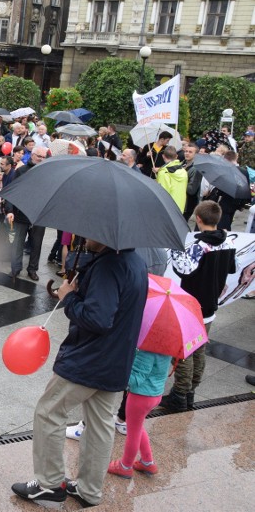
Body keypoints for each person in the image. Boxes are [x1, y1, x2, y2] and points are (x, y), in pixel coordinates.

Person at [11, 238, 148, 507]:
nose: (84, 238)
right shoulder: (136, 263)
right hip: (117, 361)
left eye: (90, 233)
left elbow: (98, 318)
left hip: (89, 359)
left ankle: (49, 484)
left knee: (48, 412)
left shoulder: (109, 265)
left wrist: (69, 297)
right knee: (100, 425)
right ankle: (89, 490)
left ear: (107, 234)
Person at [162, 201, 236, 411]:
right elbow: (231, 268)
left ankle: (179, 394)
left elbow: (184, 269)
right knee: (199, 349)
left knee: (184, 351)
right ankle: (191, 391)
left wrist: (176, 248)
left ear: (199, 219)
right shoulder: (228, 241)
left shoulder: (200, 246)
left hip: (192, 306)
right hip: (210, 306)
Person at [107, 347, 173, 479]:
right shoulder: (168, 348)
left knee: (133, 432)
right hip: (155, 394)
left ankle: (125, 466)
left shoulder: (147, 351)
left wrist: (119, 370)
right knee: (137, 426)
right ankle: (147, 462)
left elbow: (136, 378)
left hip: (140, 396)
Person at [4, 147, 48, 281]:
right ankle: (15, 268)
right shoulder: (21, 171)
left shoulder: (48, 172)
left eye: (43, 157)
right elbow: (11, 192)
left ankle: (33, 269)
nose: (40, 159)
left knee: (36, 244)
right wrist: (10, 210)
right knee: (17, 244)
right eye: (38, 156)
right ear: (32, 155)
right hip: (21, 213)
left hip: (39, 215)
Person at [155, 146, 187, 212]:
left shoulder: (164, 172)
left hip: (168, 208)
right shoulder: (183, 170)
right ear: (176, 156)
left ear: (163, 156)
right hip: (180, 206)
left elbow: (163, 193)